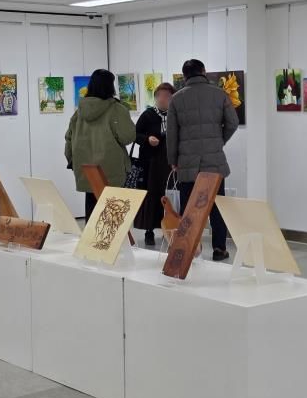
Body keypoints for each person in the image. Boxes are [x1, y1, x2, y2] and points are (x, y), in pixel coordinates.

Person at [166, 59, 239, 261]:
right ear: (204, 71)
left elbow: (171, 134)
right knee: (217, 207)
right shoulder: (219, 94)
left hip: (187, 163)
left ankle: (189, 248)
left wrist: (173, 159)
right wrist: (218, 141)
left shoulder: (176, 99)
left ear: (184, 75)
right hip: (214, 163)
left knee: (188, 209)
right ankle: (219, 249)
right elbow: (233, 123)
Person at [65, 69, 136, 221]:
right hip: (112, 171)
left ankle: (91, 237)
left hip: (87, 171)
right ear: (110, 86)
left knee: (92, 214)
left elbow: (68, 141)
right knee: (112, 218)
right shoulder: (117, 109)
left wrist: (73, 161)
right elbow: (127, 137)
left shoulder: (79, 112)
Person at [134, 82, 176, 246]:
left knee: (170, 196)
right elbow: (135, 135)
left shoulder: (175, 115)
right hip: (151, 163)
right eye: (159, 96)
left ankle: (170, 229)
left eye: (166, 96)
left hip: (170, 163)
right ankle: (149, 231)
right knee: (151, 196)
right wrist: (147, 139)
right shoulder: (148, 115)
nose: (162, 99)